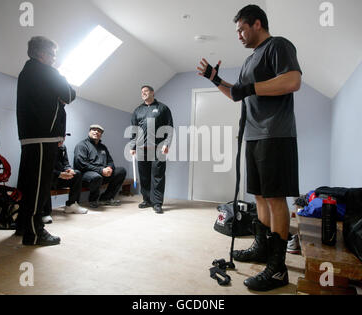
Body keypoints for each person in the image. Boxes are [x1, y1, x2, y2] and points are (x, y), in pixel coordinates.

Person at [197, 4, 302, 291]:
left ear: (257, 24)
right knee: (258, 196)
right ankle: (262, 247)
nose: (239, 35)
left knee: (275, 198)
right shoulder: (247, 62)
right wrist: (215, 80)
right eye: (237, 31)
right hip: (253, 136)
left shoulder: (277, 46)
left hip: (276, 135)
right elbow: (236, 94)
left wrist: (251, 88)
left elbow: (292, 81)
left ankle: (279, 269)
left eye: (242, 29)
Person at [16, 36, 76, 246]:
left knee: (29, 182)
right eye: (52, 54)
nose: (54, 59)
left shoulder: (26, 72)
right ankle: (34, 233)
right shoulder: (46, 72)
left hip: (30, 137)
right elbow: (69, 94)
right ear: (42, 53)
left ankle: (23, 226)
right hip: (43, 136)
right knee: (39, 187)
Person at [129, 86, 173, 214]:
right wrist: (132, 146)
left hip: (158, 148)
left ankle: (157, 203)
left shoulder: (163, 108)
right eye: (142, 92)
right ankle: (147, 200)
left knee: (158, 176)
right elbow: (134, 130)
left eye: (146, 91)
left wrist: (167, 144)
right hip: (142, 149)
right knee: (144, 176)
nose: (143, 93)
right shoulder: (137, 110)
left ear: (152, 92)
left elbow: (169, 128)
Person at [74, 125, 127, 208]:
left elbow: (110, 161)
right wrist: (101, 170)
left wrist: (109, 168)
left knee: (121, 171)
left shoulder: (103, 147)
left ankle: (106, 198)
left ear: (101, 134)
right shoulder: (82, 145)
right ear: (89, 132)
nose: (96, 132)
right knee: (96, 177)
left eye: (99, 131)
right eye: (93, 130)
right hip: (86, 175)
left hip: (102, 174)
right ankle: (93, 200)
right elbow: (81, 164)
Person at [41, 135, 88, 224]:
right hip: (49, 178)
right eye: (59, 137)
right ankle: (45, 213)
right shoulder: (45, 148)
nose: (62, 140)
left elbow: (65, 162)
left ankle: (71, 205)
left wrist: (69, 169)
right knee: (45, 179)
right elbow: (44, 168)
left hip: (60, 178)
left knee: (77, 174)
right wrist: (59, 174)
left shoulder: (62, 147)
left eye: (64, 137)